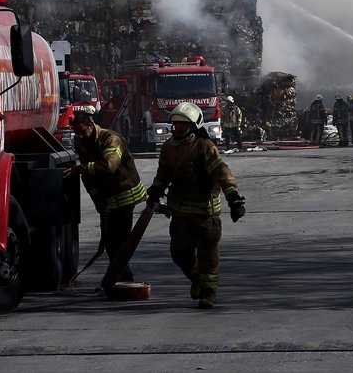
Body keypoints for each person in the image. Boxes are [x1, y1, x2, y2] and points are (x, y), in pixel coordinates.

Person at [146, 101, 245, 309]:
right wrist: (155, 191)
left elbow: (222, 173)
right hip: (179, 212)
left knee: (208, 255)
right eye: (176, 124)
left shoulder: (204, 147)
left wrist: (234, 199)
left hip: (205, 213)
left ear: (193, 126)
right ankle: (197, 279)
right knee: (179, 253)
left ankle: (208, 293)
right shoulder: (168, 148)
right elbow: (163, 174)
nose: (179, 128)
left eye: (183, 124)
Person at [63, 111, 147, 282]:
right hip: (108, 200)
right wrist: (99, 203)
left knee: (120, 242)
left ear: (90, 125)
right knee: (110, 243)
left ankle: (123, 279)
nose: (79, 136)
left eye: (82, 131)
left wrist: (82, 169)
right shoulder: (82, 143)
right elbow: (88, 178)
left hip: (126, 194)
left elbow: (110, 165)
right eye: (76, 133)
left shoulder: (111, 139)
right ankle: (120, 278)